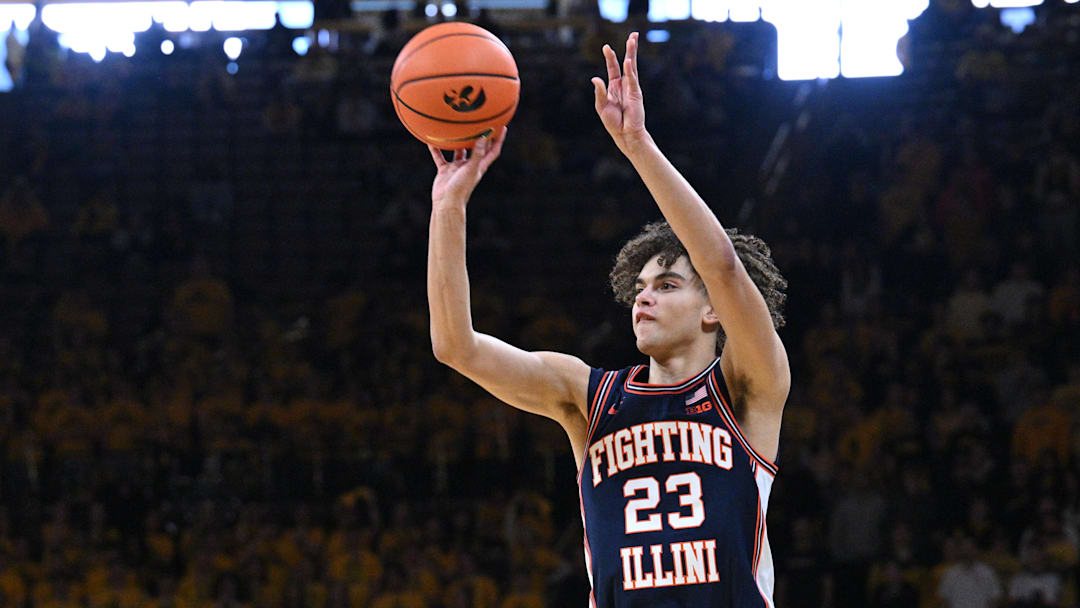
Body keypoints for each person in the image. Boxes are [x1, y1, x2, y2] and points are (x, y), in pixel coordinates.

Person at [426, 32, 789, 607]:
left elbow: (718, 263)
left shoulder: (748, 388)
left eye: (667, 285)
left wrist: (638, 145)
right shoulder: (588, 397)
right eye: (640, 287)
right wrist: (448, 208)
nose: (643, 299)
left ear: (712, 311)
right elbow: (454, 346)